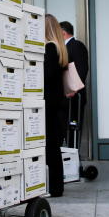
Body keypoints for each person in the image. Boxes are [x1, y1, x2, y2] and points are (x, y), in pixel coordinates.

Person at [43, 14, 69, 197]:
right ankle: (56, 186)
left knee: (50, 146)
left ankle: (54, 187)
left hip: (50, 105)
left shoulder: (50, 48)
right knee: (54, 146)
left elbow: (47, 75)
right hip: (57, 104)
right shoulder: (59, 48)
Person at [59, 21, 89, 144]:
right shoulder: (62, 47)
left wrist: (73, 89)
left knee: (72, 132)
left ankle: (73, 160)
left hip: (74, 98)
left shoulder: (76, 45)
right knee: (62, 130)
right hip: (63, 98)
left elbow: (82, 69)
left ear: (63, 32)